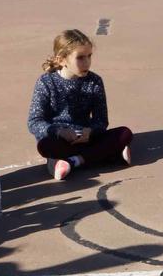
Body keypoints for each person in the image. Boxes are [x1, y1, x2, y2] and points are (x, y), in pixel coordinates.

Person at [28, 29, 133, 182]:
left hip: (85, 137)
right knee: (45, 145)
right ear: (62, 60)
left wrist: (90, 132)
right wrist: (59, 131)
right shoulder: (46, 82)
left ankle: (71, 162)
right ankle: (108, 156)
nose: (87, 62)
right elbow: (34, 121)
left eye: (89, 56)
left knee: (125, 133)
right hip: (59, 139)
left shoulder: (94, 81)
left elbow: (101, 120)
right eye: (80, 58)